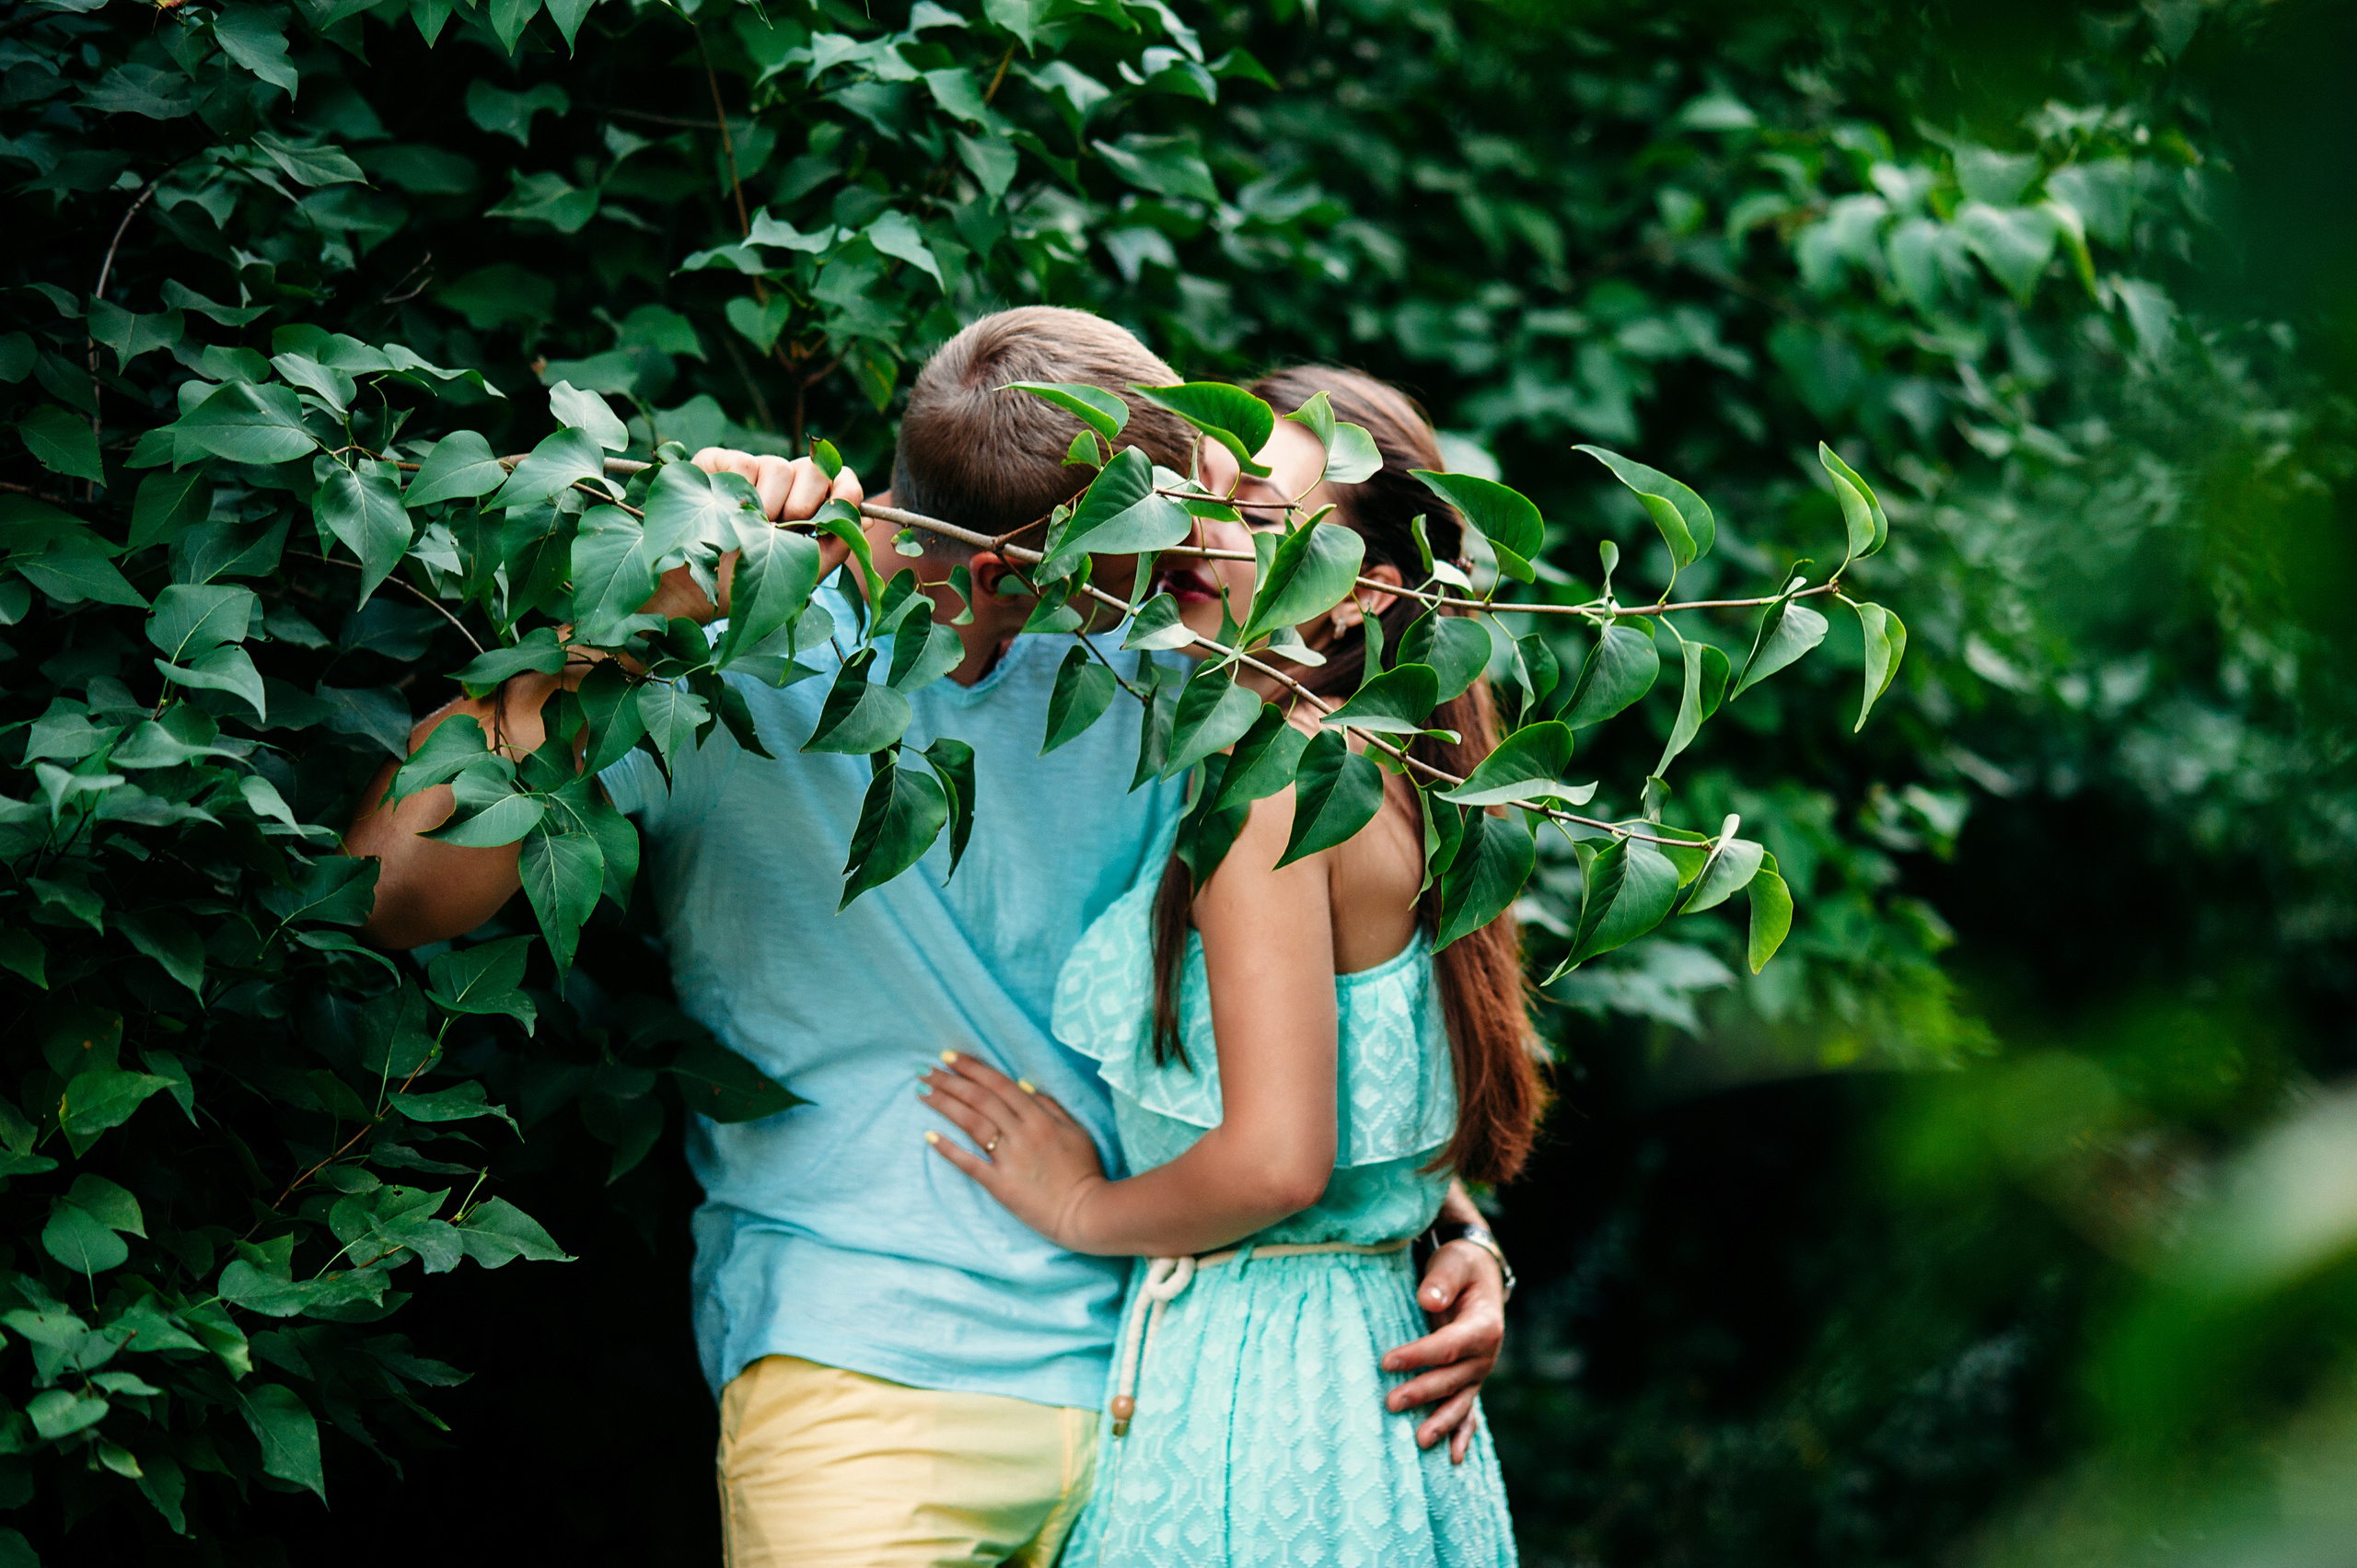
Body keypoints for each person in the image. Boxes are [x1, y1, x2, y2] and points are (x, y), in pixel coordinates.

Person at [344, 312, 1515, 1568]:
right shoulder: (720, 648)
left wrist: (1431, 1230)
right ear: (1042, 556)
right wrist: (622, 616)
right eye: (1164, 520)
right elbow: (390, 898)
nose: (1194, 545)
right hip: (866, 1386)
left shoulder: (1172, 667)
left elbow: (1325, 997)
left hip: (1166, 1389)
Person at [919, 366, 1541, 1566]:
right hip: (1362, 1382)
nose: (1201, 536)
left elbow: (1276, 1160)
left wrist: (1079, 1204)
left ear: (1366, 594)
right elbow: (1384, 1104)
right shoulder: (1393, 767)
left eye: (1256, 519)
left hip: (1264, 1402)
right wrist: (1466, 1236)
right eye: (1196, 496)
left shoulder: (1274, 781)